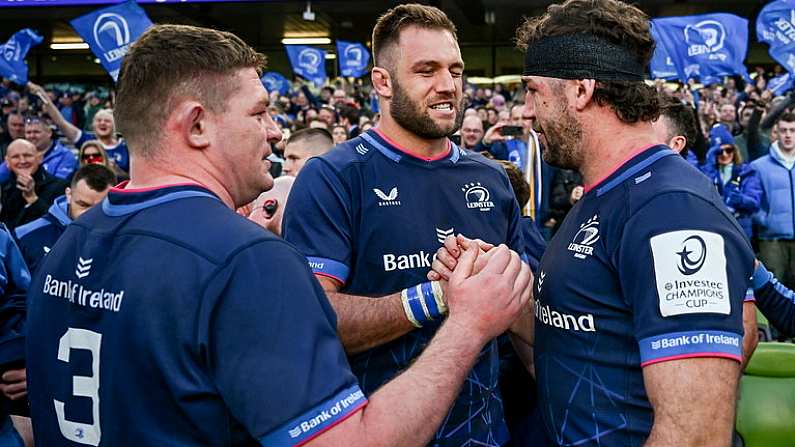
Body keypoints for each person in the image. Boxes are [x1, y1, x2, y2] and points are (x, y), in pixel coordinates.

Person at [24, 23, 531, 446]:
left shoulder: (70, 239)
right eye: (260, 112)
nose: (274, 132)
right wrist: (466, 318)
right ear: (197, 126)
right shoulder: (246, 259)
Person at [432, 1, 753, 445]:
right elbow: (580, 334)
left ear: (580, 91)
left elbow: (695, 433)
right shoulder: (604, 194)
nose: (525, 113)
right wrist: (498, 285)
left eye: (533, 91)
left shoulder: (672, 212)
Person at [282, 5, 541, 446]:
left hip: (484, 434)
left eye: (455, 70)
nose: (448, 86)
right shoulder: (334, 176)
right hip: (376, 431)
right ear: (382, 82)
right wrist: (439, 296)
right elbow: (313, 319)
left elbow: (528, 329)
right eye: (427, 70)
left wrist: (504, 285)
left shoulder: (491, 179)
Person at [15, 164, 116, 274]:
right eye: (83, 205)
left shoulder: (125, 238)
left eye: (100, 207)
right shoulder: (25, 235)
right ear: (68, 194)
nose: (91, 214)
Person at [28, 82, 130, 173]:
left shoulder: (126, 146)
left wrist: (116, 171)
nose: (102, 123)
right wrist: (41, 93)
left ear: (115, 125)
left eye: (107, 121)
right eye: (99, 120)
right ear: (92, 125)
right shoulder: (86, 140)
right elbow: (61, 122)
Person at [752, 112, 795, 291]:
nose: (788, 135)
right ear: (776, 132)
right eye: (783, 130)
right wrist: (767, 221)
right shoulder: (758, 166)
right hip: (771, 241)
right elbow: (752, 203)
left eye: (792, 130)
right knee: (776, 296)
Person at [701, 125, 762, 240]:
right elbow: (701, 192)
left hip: (741, 231)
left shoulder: (747, 171)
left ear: (735, 150)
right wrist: (710, 165)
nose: (724, 155)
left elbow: (755, 202)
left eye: (728, 150)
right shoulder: (707, 172)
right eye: (719, 151)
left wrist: (740, 200)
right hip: (714, 231)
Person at [0, 140, 69, 230]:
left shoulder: (61, 186)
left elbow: (60, 224)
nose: (22, 161)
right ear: (7, 162)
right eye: (15, 157)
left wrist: (32, 198)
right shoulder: (4, 188)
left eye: (27, 155)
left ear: (40, 158)